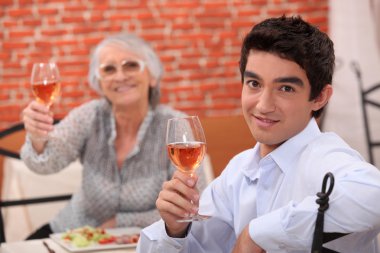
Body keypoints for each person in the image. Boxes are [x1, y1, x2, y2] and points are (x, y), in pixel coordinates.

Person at [137, 16, 380, 253]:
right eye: (254, 83)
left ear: (319, 98)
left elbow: (374, 197)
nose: (264, 105)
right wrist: (175, 230)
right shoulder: (239, 171)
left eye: (285, 88)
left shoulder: (327, 158)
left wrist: (257, 234)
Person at [20, 33, 198, 239]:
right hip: (72, 232)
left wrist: (120, 223)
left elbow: (189, 207)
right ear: (99, 82)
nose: (120, 76)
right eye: (109, 69)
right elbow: (45, 164)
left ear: (152, 77)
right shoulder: (88, 116)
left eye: (131, 65)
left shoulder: (176, 126)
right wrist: (37, 136)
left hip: (143, 241)